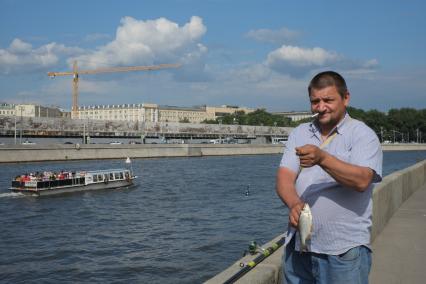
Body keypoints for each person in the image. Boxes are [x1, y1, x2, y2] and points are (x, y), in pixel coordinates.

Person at [276, 71, 382, 284]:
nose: (321, 106)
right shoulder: (299, 133)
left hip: (343, 252)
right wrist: (294, 203)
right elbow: (284, 178)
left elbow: (361, 180)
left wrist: (322, 158)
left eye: (328, 100)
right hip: (299, 247)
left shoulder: (362, 135)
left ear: (346, 98)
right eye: (315, 101)